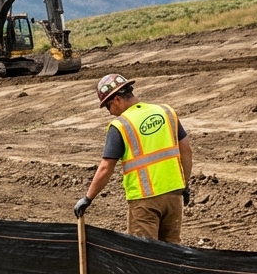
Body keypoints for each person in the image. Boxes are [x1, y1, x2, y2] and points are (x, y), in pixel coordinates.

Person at [73, 74, 192, 243]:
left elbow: (106, 167)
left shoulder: (121, 125)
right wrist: (185, 185)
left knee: (143, 256)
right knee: (172, 257)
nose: (110, 112)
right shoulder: (166, 111)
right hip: (174, 195)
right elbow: (186, 150)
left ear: (116, 100)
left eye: (107, 107)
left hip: (145, 201)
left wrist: (87, 198)